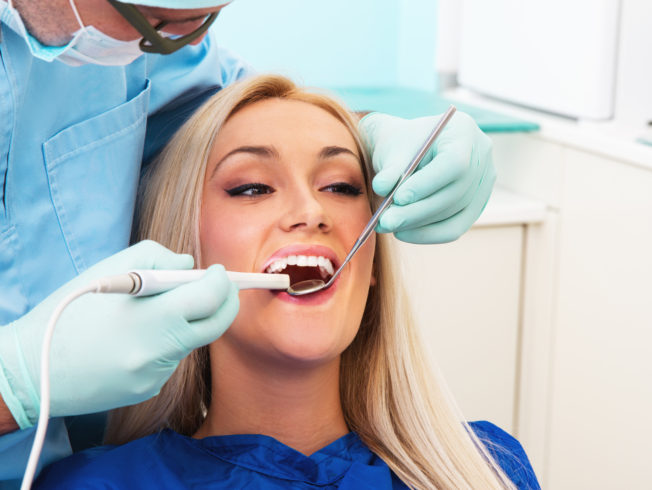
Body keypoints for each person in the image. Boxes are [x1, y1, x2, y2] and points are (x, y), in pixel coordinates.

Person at [0, 0, 496, 483]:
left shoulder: (484, 465)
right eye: (252, 188)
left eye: (342, 186)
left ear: (373, 270)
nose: (311, 212)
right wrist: (14, 383)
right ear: (184, 247)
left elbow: (228, 110)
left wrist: (365, 132)